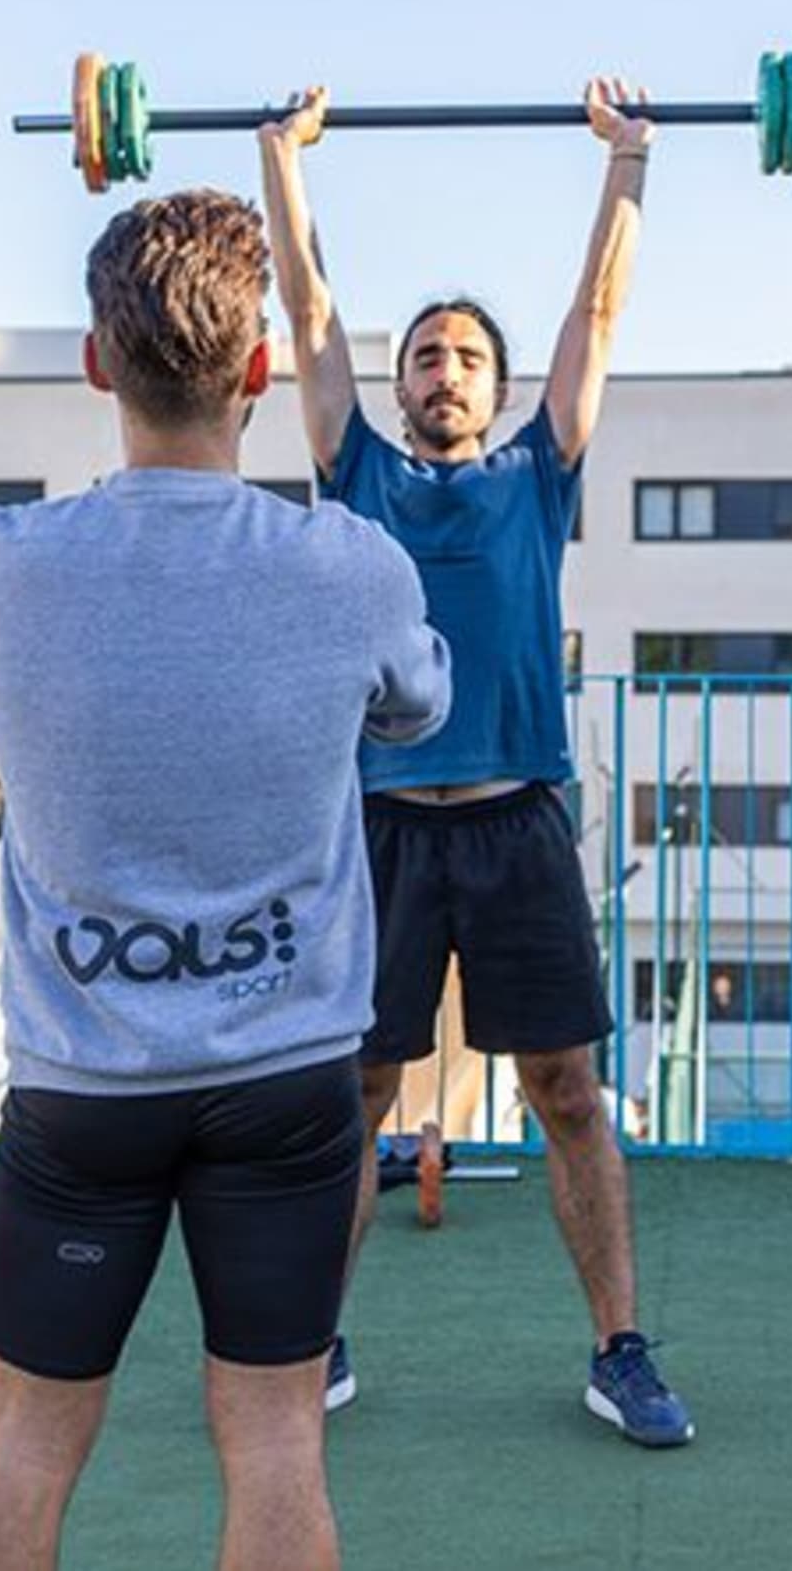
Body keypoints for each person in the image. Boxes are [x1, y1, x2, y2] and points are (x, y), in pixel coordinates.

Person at [0, 188, 451, 1571]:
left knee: (23, 1450)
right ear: (260, 372)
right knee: (279, 1439)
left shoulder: (3, 566)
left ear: (101, 363)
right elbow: (415, 709)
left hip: (81, 1092)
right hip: (283, 1085)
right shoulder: (351, 567)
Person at [259, 82, 695, 1449]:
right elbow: (310, 313)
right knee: (359, 1093)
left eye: (464, 357)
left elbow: (598, 319)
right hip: (383, 831)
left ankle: (618, 1349)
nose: (442, 370)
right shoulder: (359, 474)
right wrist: (281, 161)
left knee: (566, 1090)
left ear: (496, 390)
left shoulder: (535, 473)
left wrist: (627, 165)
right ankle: (307, 1347)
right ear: (399, 386)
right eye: (425, 356)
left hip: (518, 827)